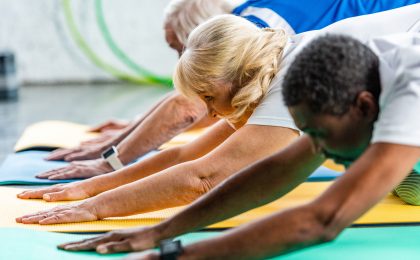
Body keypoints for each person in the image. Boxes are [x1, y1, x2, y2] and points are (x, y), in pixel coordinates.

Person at [16, 4, 420, 227]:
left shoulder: (291, 79)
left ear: (235, 76)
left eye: (210, 98)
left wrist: (96, 207)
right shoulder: (275, 59)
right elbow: (183, 156)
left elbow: (203, 177)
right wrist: (95, 185)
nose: (206, 112)